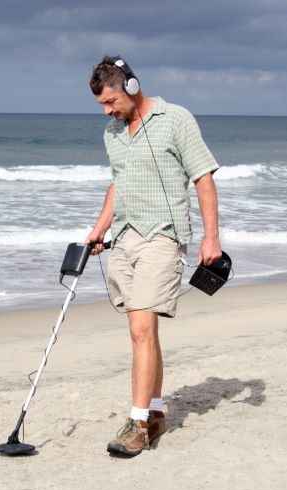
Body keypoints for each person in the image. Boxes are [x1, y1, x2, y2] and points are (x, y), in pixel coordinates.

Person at [85, 56, 222, 456]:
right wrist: (99, 228)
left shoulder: (175, 119)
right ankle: (157, 412)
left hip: (162, 238)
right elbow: (118, 184)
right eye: (102, 106)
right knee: (143, 331)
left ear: (130, 87)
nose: (107, 112)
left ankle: (137, 424)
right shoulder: (112, 134)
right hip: (125, 239)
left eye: (111, 102)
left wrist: (211, 238)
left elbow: (204, 176)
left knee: (141, 330)